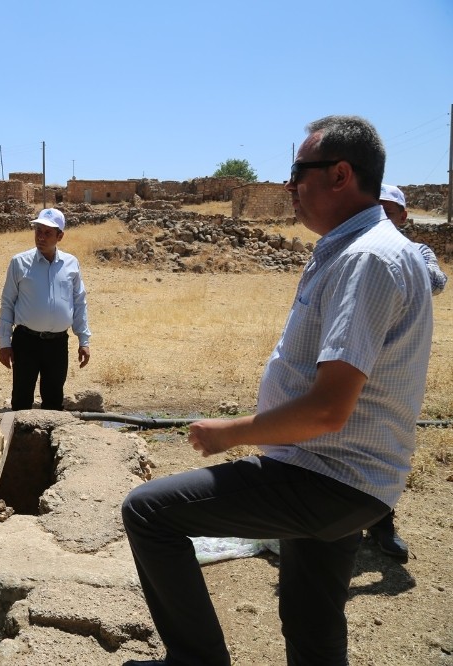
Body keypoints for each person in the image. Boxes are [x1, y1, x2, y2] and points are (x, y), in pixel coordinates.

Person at [120, 116, 434, 666]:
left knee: (149, 513)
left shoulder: (367, 258)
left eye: (297, 172)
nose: (288, 187)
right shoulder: (358, 248)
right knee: (311, 619)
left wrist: (231, 433)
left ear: (340, 174)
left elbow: (330, 408)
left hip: (326, 475)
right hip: (344, 474)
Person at [359, 184, 448, 562]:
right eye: (376, 209)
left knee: (384, 443)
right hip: (350, 358)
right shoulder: (354, 249)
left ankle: (381, 524)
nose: (383, 216)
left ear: (403, 217)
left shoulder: (416, 252)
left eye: (390, 210)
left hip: (393, 365)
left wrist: (391, 267)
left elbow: (436, 280)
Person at [0, 208, 91, 411]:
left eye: (48, 232)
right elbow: (7, 303)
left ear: (60, 236)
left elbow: (79, 302)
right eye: (38, 230)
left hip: (57, 344)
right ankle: (20, 440)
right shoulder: (19, 263)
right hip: (26, 342)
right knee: (21, 399)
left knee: (54, 398)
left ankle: (50, 440)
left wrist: (84, 340)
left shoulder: (71, 264)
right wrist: (4, 343)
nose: (41, 237)